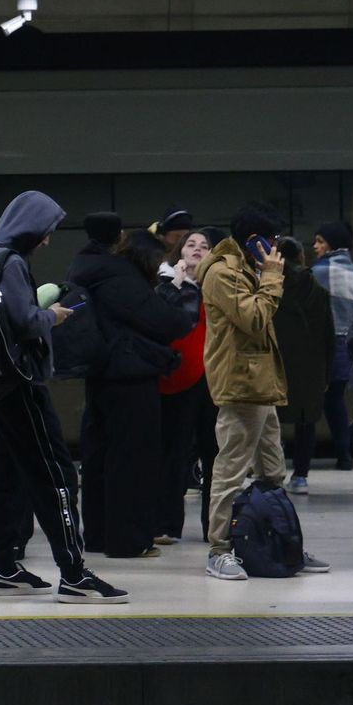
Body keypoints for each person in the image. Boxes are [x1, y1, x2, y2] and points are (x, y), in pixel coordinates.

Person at [0, 191, 129, 602]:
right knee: (55, 474)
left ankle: (5, 568)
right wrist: (52, 315)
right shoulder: (12, 262)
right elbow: (24, 321)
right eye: (46, 231)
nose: (48, 239)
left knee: (6, 475)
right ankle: (73, 573)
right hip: (21, 382)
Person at [200, 202, 329, 580]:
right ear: (254, 240)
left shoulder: (247, 267)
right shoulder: (223, 273)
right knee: (231, 469)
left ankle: (279, 540)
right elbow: (254, 318)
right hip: (240, 384)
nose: (276, 247)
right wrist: (272, 276)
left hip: (261, 383)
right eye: (272, 239)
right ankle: (219, 548)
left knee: (272, 469)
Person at [67, 219, 189, 559]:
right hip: (131, 376)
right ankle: (129, 540)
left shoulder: (87, 269)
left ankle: (98, 536)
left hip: (101, 374)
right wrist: (173, 291)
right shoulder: (122, 279)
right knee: (133, 460)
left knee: (100, 458)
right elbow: (170, 322)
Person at [154, 229, 218, 544]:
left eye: (204, 246)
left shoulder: (217, 286)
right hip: (177, 376)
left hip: (213, 378)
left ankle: (214, 525)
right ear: (179, 250)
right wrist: (178, 283)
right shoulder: (165, 284)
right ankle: (167, 523)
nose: (197, 249)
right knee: (174, 452)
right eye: (191, 244)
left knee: (214, 453)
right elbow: (160, 322)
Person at [274, 236, 336, 494]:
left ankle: (271, 472)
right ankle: (300, 476)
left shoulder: (270, 288)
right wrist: (326, 373)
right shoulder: (318, 290)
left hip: (276, 364)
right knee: (306, 422)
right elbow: (329, 335)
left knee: (269, 421)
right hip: (311, 366)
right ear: (300, 255)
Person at [309, 221, 353, 471]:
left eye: (320, 241)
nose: (315, 246)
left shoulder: (322, 270)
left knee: (311, 403)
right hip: (348, 342)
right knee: (335, 400)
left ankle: (305, 459)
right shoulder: (349, 267)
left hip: (327, 343)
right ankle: (344, 454)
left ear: (332, 244)